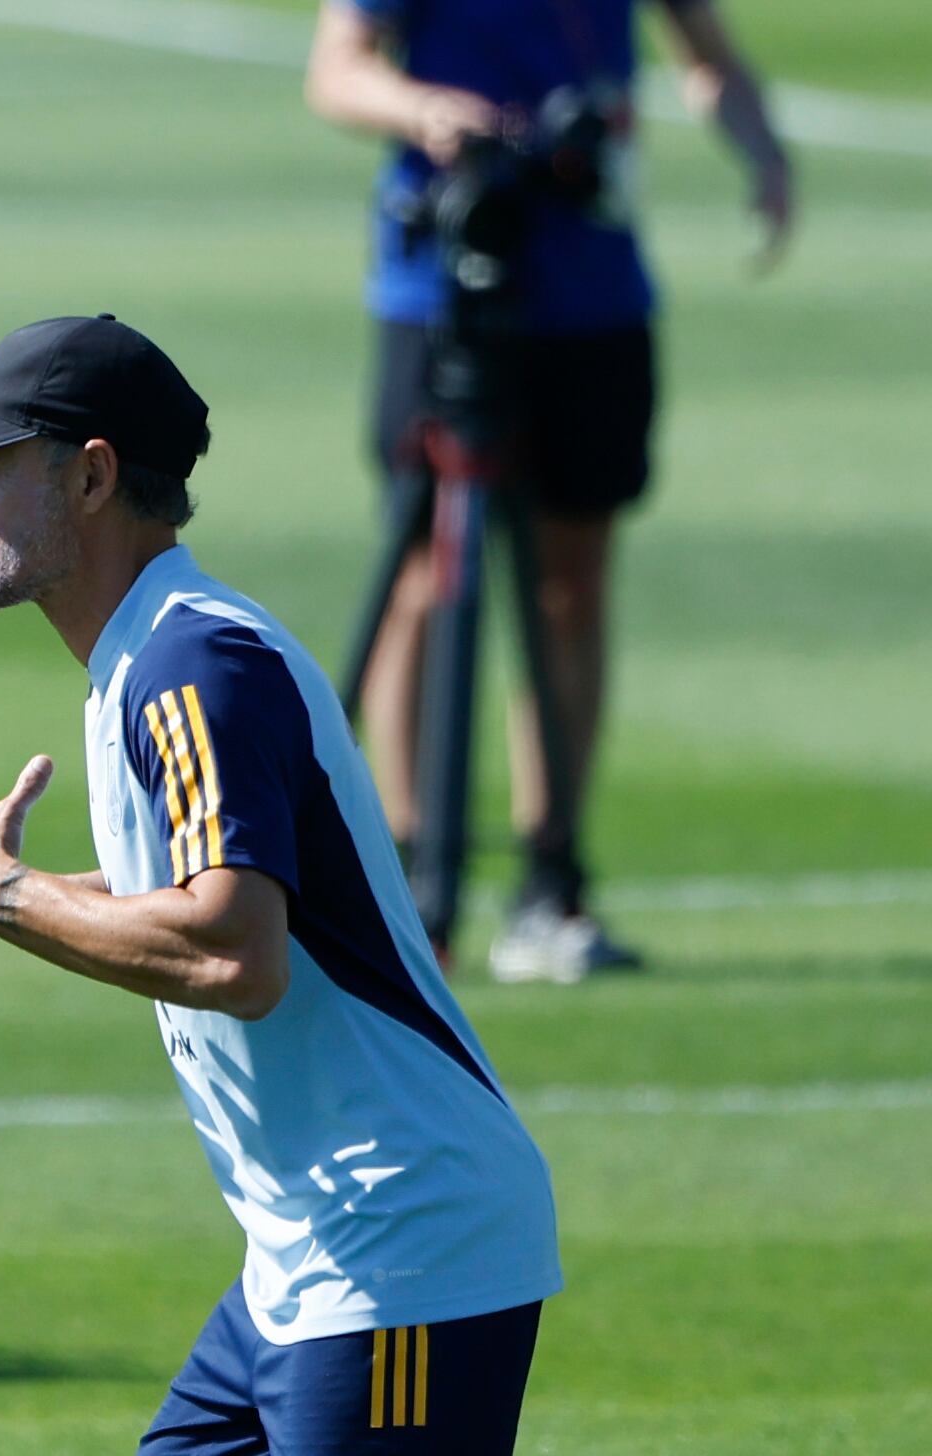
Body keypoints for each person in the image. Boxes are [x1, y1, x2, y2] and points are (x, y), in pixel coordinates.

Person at [0, 315, 561, 1454]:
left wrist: (1, 894)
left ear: (89, 477)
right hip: (304, 1259)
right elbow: (204, 894)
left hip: (395, 1253)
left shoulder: (194, 664)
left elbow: (235, 953)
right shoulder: (145, 660)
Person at [304, 0, 793, 981]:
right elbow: (336, 70)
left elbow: (707, 59)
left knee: (572, 580)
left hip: (590, 283)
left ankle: (548, 879)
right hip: (440, 277)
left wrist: (761, 153)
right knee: (421, 577)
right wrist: (424, 111)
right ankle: (401, 866)